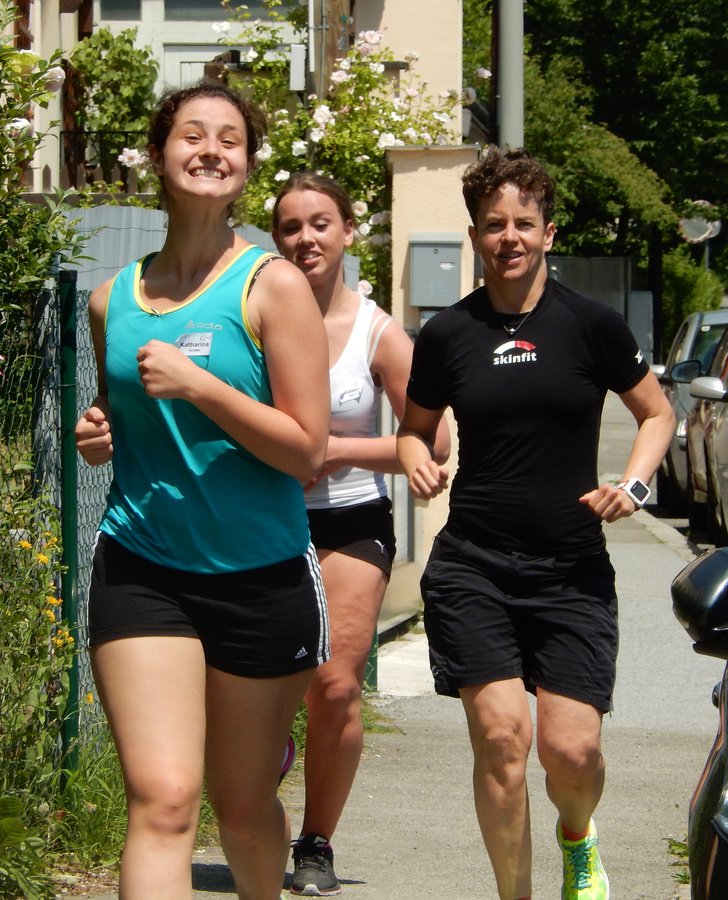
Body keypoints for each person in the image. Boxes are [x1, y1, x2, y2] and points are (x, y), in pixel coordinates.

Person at [74, 82, 331, 900]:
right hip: (142, 566)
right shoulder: (111, 300)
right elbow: (120, 414)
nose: (211, 150)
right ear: (158, 155)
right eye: (192, 134)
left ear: (246, 166)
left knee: (243, 807)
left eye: (229, 138)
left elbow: (306, 450)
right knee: (163, 800)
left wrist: (202, 387)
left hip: (260, 576)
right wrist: (99, 431)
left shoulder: (272, 287)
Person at [395, 148, 674, 900]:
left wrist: (634, 485)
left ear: (548, 233)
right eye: (494, 225)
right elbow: (414, 429)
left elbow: (657, 413)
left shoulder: (592, 325)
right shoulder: (449, 333)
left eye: (524, 223)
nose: (509, 237)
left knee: (571, 753)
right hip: (474, 565)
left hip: (570, 570)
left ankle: (577, 836)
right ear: (475, 236)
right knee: (501, 740)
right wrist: (416, 460)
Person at [270, 173, 450, 896]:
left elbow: (432, 441)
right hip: (263, 518)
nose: (306, 239)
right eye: (290, 227)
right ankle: (266, 766)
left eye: (321, 223)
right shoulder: (252, 317)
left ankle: (315, 842)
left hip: (349, 521)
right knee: (260, 685)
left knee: (335, 684)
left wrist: (338, 449)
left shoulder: (378, 332)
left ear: (348, 231)